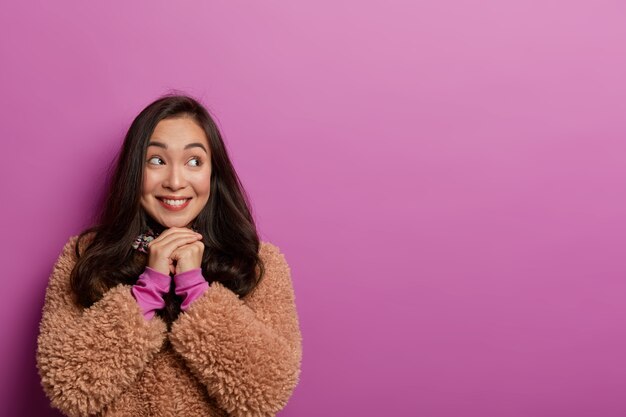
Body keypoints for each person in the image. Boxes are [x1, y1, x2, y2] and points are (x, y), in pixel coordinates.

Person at [36, 94, 302, 417]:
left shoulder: (257, 264)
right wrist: (147, 291)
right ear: (136, 170)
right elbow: (67, 386)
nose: (175, 182)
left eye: (194, 162)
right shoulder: (85, 258)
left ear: (212, 174)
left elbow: (267, 391)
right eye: (157, 161)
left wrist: (196, 291)